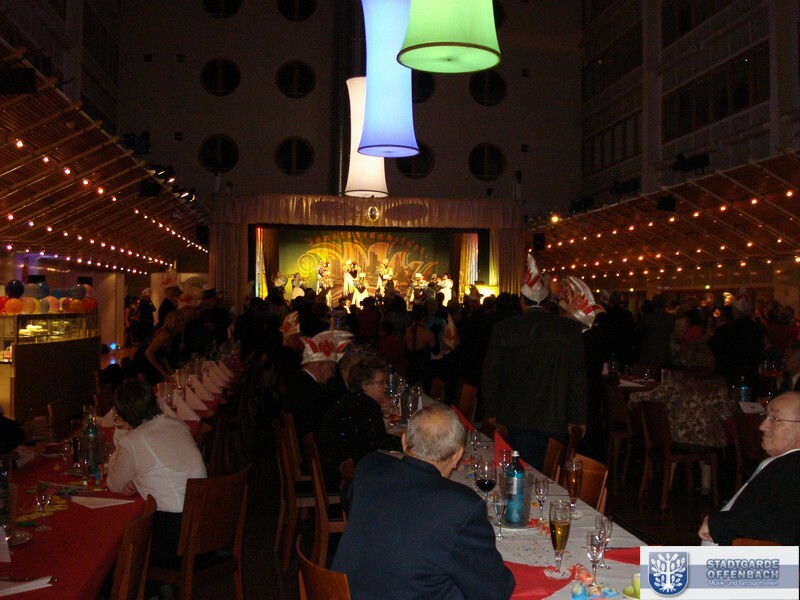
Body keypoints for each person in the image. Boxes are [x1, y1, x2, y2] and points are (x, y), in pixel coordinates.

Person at [332, 403, 515, 600]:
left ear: (404, 442)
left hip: (343, 593)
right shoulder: (461, 506)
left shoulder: (370, 466)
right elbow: (494, 591)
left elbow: (352, 503)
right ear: (457, 455)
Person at [482, 254, 587, 470]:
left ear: (521, 301)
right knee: (549, 474)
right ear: (548, 302)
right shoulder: (569, 330)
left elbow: (491, 374)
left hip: (514, 417)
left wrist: (490, 411)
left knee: (518, 473)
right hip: (555, 416)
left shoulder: (504, 329)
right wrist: (578, 417)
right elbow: (577, 377)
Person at [107, 380, 206, 561]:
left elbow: (114, 484)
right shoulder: (176, 424)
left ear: (123, 414)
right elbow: (166, 467)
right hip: (204, 524)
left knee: (120, 550)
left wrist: (120, 440)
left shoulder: (132, 440)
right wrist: (138, 480)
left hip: (175, 537)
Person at [697, 391, 800, 545]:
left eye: (775, 419)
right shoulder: (785, 462)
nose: (762, 426)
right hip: (727, 554)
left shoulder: (793, 467)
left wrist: (717, 524)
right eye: (766, 417)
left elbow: (784, 527)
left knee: (659, 560)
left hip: (743, 559)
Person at [317, 356, 402, 489]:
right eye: (381, 383)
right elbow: (379, 442)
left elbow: (375, 438)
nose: (385, 387)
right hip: (344, 477)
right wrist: (409, 443)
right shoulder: (365, 406)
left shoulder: (352, 400)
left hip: (331, 467)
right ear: (365, 384)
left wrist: (385, 416)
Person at [283, 329, 353, 441]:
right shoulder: (312, 391)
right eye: (332, 369)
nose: (332, 375)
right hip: (310, 445)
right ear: (320, 365)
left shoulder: (298, 380)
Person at [133, 310, 185, 385]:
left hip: (151, 359)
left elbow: (162, 354)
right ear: (172, 322)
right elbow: (148, 352)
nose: (182, 323)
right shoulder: (165, 334)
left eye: (183, 320)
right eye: (179, 320)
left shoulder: (172, 334)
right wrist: (161, 371)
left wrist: (171, 373)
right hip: (144, 360)